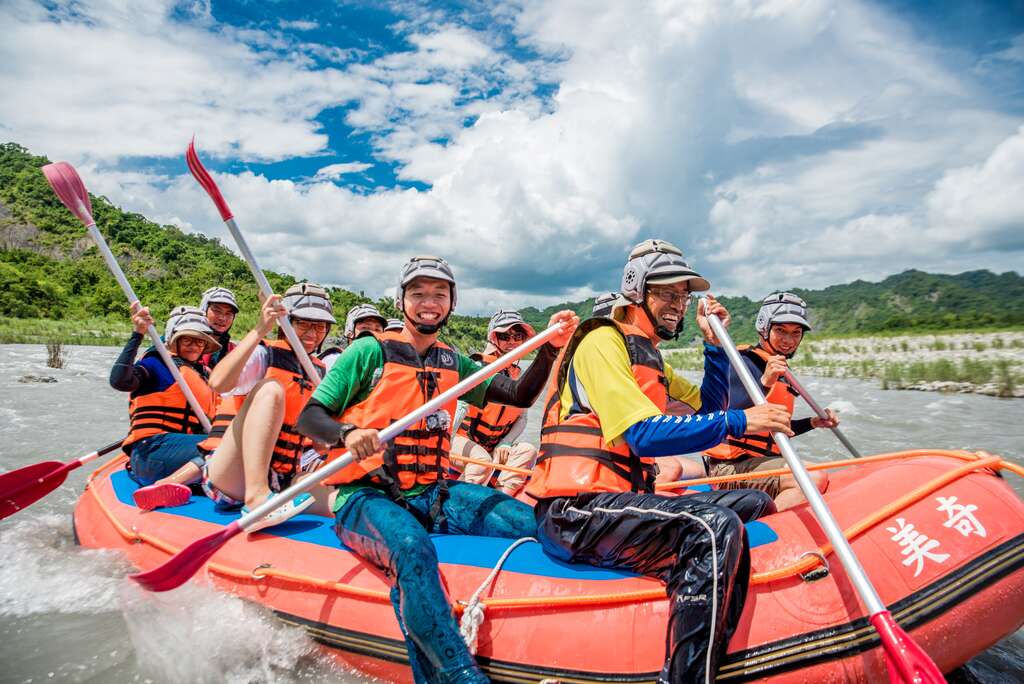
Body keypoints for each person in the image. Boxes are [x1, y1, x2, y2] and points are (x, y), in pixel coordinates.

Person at [296, 255, 579, 684]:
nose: (429, 302)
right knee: (411, 548)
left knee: (527, 519)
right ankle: (458, 676)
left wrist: (549, 349)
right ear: (401, 300)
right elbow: (311, 417)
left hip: (434, 492)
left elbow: (519, 396)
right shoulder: (367, 352)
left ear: (451, 303)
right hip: (366, 495)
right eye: (419, 293)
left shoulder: (454, 362)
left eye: (439, 294)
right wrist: (348, 433)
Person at [525, 239, 789, 684]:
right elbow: (644, 433)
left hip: (619, 501)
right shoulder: (602, 343)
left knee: (750, 504)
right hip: (576, 511)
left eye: (683, 297)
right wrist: (743, 420)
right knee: (713, 527)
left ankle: (705, 613)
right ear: (636, 291)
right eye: (667, 293)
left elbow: (707, 408)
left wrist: (714, 351)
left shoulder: (651, 358)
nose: (678, 305)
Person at [704, 292, 838, 511]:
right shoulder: (742, 362)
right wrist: (765, 382)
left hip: (758, 463)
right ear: (764, 328)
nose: (788, 340)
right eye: (780, 331)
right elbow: (726, 414)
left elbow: (773, 428)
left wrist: (812, 422)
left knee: (817, 474)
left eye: (796, 333)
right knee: (812, 478)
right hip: (728, 468)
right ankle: (757, 533)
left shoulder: (781, 369)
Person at [592, 292, 706, 485]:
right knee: (672, 469)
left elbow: (702, 404)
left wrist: (715, 347)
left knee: (699, 471)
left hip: (635, 448)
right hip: (599, 449)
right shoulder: (596, 350)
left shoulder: (652, 362)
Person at [110, 305, 219, 490]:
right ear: (173, 340)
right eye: (187, 340)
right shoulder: (156, 364)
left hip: (181, 456)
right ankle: (167, 484)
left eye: (200, 341)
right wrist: (138, 334)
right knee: (230, 448)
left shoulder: (203, 374)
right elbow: (119, 380)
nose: (194, 346)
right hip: (152, 452)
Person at [451, 310, 538, 496]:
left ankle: (500, 501)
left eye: (518, 336)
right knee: (480, 460)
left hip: (494, 445)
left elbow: (522, 418)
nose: (512, 341)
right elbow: (460, 408)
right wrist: (445, 444)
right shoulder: (478, 368)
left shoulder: (518, 376)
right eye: (504, 336)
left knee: (528, 450)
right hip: (462, 440)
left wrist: (505, 443)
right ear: (493, 338)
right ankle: (455, 507)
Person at [320, 304, 388, 370]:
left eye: (377, 330)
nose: (373, 334)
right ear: (350, 332)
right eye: (365, 328)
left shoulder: (382, 365)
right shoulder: (334, 361)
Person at [199, 286, 239, 369]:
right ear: (204, 310)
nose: (222, 318)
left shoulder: (235, 351)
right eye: (217, 310)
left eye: (228, 313)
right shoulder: (185, 344)